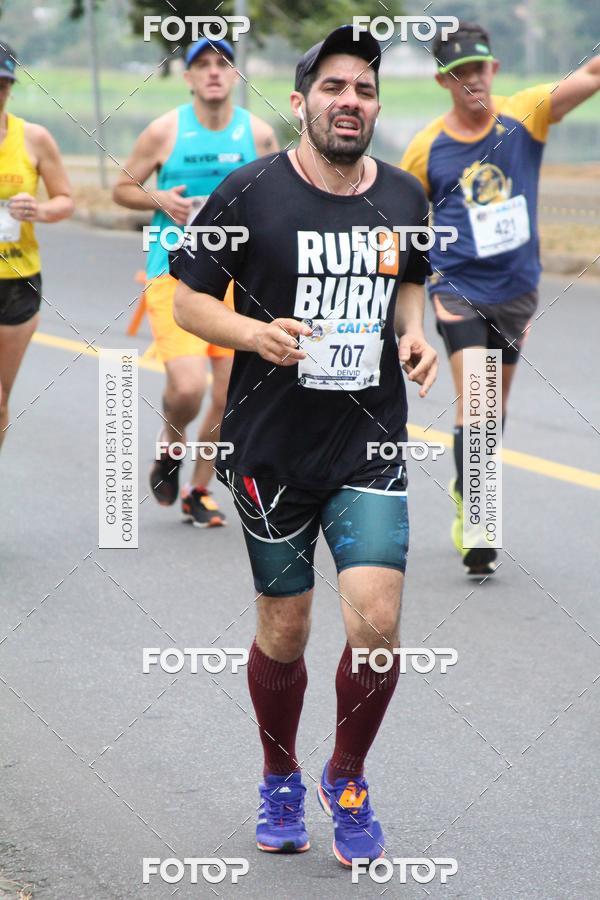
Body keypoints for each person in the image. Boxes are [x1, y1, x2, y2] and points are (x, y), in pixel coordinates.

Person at [171, 25, 438, 866]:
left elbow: (409, 285)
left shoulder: (405, 196)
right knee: (285, 631)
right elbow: (187, 302)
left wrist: (414, 335)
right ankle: (280, 775)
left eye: (363, 89)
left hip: (368, 444)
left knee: (378, 625)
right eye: (332, 87)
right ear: (300, 102)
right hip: (271, 450)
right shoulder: (248, 192)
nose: (349, 101)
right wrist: (255, 334)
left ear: (376, 106)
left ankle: (346, 777)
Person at [400, 21, 600, 574]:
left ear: (495, 69)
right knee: (480, 400)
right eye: (459, 73)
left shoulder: (527, 112)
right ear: (443, 81)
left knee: (495, 408)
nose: (472, 81)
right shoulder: (426, 148)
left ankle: (468, 486)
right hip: (457, 286)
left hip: (516, 289)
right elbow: (400, 217)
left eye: (479, 69)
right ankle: (479, 521)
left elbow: (592, 73)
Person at [113, 38, 278, 526]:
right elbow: (121, 188)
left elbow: (279, 195)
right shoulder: (165, 131)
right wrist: (159, 198)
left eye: (222, 63)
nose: (213, 72)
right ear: (188, 78)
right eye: (202, 65)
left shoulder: (259, 134)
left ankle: (199, 489)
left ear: (235, 75)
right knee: (187, 388)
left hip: (235, 280)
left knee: (228, 396)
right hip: (174, 272)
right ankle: (171, 443)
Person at [0, 41, 73, 452]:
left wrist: (39, 210)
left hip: (18, 281)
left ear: (10, 86)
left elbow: (65, 200)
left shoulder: (34, 138)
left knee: (0, 402)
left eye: (2, 84)